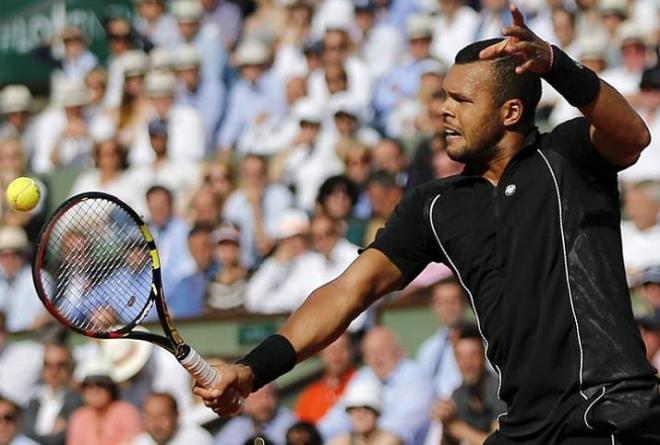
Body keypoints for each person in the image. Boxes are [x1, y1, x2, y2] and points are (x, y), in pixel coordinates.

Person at [196, 5, 660, 444]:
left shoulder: (568, 156)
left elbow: (633, 134)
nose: (445, 110)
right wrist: (253, 370)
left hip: (609, 412)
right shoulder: (434, 206)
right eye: (444, 97)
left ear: (510, 113)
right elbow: (344, 294)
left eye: (461, 99)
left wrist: (557, 65)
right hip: (525, 426)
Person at [318, 327, 433, 444]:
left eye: (382, 350)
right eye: (370, 352)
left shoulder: (415, 376)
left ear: (398, 351)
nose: (376, 358)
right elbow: (338, 418)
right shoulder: (363, 376)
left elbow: (400, 428)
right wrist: (311, 435)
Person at [436, 325, 506, 445]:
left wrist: (458, 428)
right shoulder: (458, 394)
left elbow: (500, 443)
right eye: (461, 357)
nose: (467, 363)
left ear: (484, 356)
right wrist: (446, 425)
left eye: (473, 355)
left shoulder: (500, 391)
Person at [67, 357, 143, 445]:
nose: (95, 390)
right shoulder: (78, 418)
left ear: (111, 388)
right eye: (88, 385)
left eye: (100, 384)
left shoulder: (127, 412)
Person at [22, 343, 82, 445]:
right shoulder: (32, 400)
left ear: (71, 367)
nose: (54, 371)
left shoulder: (80, 402)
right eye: (48, 365)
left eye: (61, 365)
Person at [294, 333, 356, 424]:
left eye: (342, 347)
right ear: (321, 353)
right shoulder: (310, 395)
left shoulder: (360, 383)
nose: (336, 354)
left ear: (352, 350)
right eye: (330, 349)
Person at [214, 383, 297, 445]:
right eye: (257, 397)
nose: (264, 402)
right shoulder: (237, 426)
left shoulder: (289, 423)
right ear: (243, 401)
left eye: (269, 395)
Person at [325, 380, 403, 445]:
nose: (360, 415)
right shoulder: (340, 441)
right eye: (354, 409)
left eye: (366, 409)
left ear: (377, 413)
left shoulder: (390, 440)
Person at [0, 225, 47, 332]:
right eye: (4, 255)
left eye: (16, 254)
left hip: (30, 339)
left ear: (25, 254)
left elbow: (38, 321)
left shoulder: (40, 279)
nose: (10, 260)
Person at [131, 392, 213, 445]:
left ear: (176, 415)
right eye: (150, 418)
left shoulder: (197, 439)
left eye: (162, 417)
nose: (156, 424)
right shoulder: (140, 442)